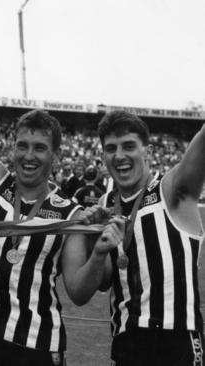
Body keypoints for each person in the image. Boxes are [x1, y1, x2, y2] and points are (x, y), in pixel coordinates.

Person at [0, 23, 120, 365]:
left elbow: (78, 291)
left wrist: (98, 255)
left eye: (40, 148)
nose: (29, 156)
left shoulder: (69, 212)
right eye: (22, 146)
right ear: (12, 148)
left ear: (55, 156)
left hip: (37, 345)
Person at [63, 110, 205, 366]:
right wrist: (95, 245)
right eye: (110, 148)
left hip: (177, 340)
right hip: (126, 344)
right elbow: (104, 280)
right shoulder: (106, 204)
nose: (119, 156)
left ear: (147, 152)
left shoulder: (171, 190)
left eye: (129, 146)